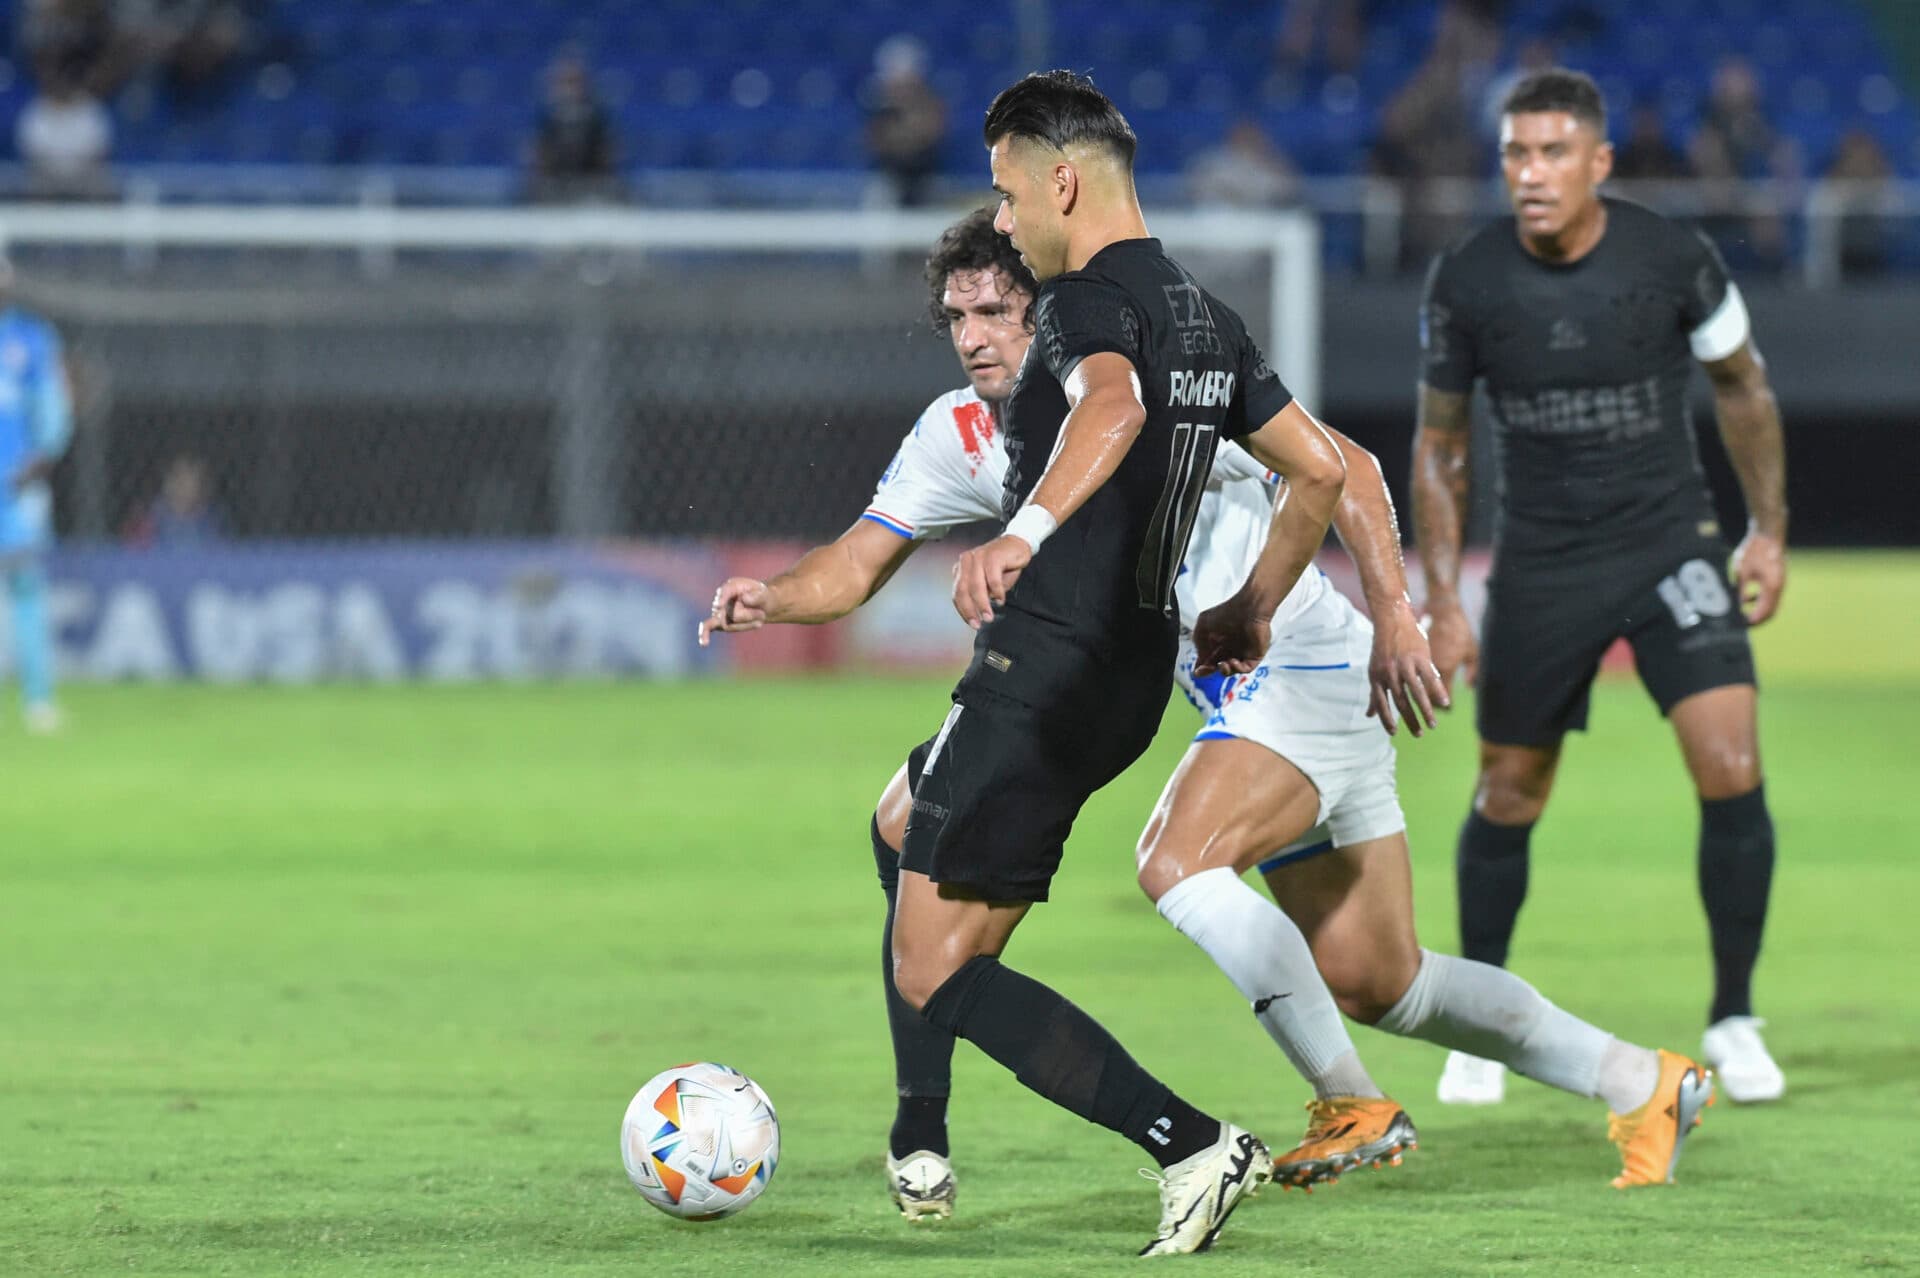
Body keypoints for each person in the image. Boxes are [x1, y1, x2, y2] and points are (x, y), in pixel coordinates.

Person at [1412, 69, 1789, 1107]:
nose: (1530, 175)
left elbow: (1744, 384)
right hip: (1541, 563)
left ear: (1599, 162)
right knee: (1508, 793)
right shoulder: (1469, 278)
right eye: (1515, 156)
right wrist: (1443, 597)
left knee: (1732, 757)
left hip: (1671, 545)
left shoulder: (1674, 260)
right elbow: (1439, 448)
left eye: (1552, 153)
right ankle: (1480, 1023)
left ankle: (1735, 1016)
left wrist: (1766, 530)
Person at [0, 257, 75, 733]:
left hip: (14, 485)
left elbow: (53, 408)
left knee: (25, 581)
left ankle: (38, 698)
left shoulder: (30, 338)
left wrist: (42, 457)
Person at [862, 35, 947, 209]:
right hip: (888, 176)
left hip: (927, 176)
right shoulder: (878, 106)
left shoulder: (930, 102)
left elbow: (930, 135)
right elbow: (877, 141)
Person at [527, 53, 622, 205]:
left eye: (574, 82)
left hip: (593, 181)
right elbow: (541, 150)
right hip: (556, 181)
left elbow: (608, 149)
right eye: (566, 82)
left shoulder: (597, 115)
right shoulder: (549, 116)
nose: (570, 88)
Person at [126, 454, 224, 546]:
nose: (180, 486)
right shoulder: (149, 519)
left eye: (188, 480)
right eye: (176, 477)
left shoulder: (211, 521)